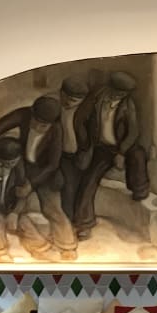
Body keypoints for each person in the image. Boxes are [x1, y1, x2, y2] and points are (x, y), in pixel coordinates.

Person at [0, 95, 78, 260]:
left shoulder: (56, 130)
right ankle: (11, 245)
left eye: (43, 125)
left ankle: (67, 246)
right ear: (32, 114)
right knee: (11, 205)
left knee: (52, 209)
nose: (38, 127)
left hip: (44, 173)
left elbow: (53, 165)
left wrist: (32, 184)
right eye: (35, 122)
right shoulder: (22, 115)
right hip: (21, 167)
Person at [73, 71, 149, 239]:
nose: (118, 97)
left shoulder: (128, 104)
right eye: (116, 93)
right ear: (110, 88)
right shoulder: (95, 98)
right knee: (89, 180)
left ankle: (140, 190)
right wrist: (85, 144)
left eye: (122, 94)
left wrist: (122, 153)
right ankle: (84, 224)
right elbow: (79, 119)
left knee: (138, 154)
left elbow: (133, 132)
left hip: (121, 145)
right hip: (100, 147)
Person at [58, 75, 89, 219]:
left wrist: (85, 153)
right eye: (67, 98)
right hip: (60, 155)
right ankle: (69, 221)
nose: (69, 103)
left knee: (79, 189)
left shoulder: (84, 112)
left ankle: (77, 220)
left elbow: (90, 136)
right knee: (68, 189)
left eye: (75, 101)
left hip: (78, 155)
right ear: (61, 93)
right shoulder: (55, 108)